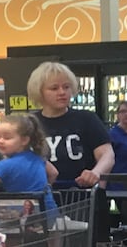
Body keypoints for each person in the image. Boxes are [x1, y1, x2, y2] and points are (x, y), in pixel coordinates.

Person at [27, 61, 114, 189]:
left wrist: (96, 172)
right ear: (40, 92)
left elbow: (107, 154)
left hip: (83, 197)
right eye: (54, 88)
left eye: (66, 87)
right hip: (43, 197)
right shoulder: (30, 123)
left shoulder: (86, 118)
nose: (62, 92)